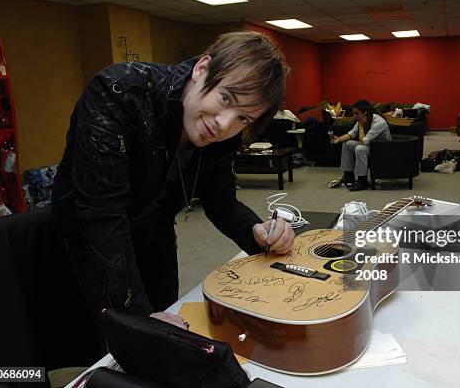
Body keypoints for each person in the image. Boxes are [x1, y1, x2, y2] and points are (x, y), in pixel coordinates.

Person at [51, 31, 294, 332]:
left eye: (244, 118)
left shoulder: (224, 130)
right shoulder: (119, 92)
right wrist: (137, 316)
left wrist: (257, 232)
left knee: (171, 322)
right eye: (225, 98)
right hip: (92, 244)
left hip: (155, 233)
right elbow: (102, 216)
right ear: (202, 69)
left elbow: (221, 202)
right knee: (111, 346)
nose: (224, 124)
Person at [330, 100, 391, 191]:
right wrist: (338, 139)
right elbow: (351, 134)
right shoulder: (361, 119)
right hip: (371, 145)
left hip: (382, 148)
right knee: (347, 143)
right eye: (353, 113)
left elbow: (363, 141)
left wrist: (361, 126)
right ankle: (348, 176)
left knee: (360, 148)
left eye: (356, 113)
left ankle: (362, 181)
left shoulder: (378, 122)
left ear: (365, 112)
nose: (354, 116)